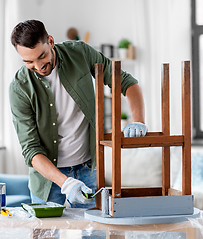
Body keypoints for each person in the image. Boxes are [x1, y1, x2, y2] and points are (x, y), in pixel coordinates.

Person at [9, 19, 147, 208]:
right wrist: (65, 182)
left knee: (95, 235)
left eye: (42, 56)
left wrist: (138, 120)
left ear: (50, 41)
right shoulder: (19, 88)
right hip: (47, 180)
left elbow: (125, 81)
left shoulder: (80, 53)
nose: (38, 66)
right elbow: (31, 150)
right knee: (46, 237)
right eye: (29, 62)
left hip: (88, 171)